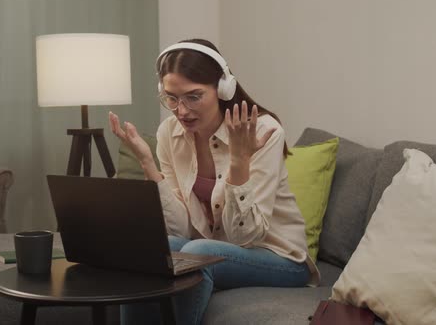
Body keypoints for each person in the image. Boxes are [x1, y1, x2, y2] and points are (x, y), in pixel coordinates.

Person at [108, 38, 319, 325]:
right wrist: (148, 164)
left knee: (198, 253)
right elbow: (181, 227)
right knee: (152, 249)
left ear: (223, 89)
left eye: (193, 97)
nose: (181, 110)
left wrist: (238, 162)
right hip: (213, 249)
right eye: (172, 97)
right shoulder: (169, 133)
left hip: (279, 258)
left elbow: (245, 237)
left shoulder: (263, 131)